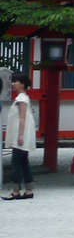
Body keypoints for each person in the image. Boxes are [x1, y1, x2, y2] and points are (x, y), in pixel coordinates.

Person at [2, 71, 35, 200]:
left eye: (15, 81)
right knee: (23, 162)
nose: (13, 84)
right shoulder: (23, 97)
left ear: (22, 84)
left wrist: (20, 136)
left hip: (20, 136)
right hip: (23, 135)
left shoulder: (21, 98)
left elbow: (22, 118)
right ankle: (29, 190)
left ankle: (15, 191)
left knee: (16, 163)